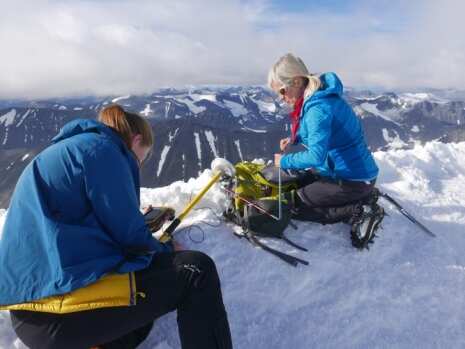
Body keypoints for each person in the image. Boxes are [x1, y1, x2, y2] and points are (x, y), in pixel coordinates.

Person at [0, 105, 232, 349]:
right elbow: (130, 236)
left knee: (139, 317)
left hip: (32, 314)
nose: (136, 167)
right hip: (58, 313)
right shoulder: (105, 151)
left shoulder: (73, 148)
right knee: (196, 270)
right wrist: (165, 247)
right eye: (139, 160)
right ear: (136, 140)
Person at [268, 53, 384, 248]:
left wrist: (285, 161)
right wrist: (294, 139)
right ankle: (364, 195)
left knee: (293, 204)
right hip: (350, 172)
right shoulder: (319, 97)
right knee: (296, 185)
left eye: (281, 91)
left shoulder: (317, 108)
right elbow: (325, 133)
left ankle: (358, 210)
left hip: (350, 179)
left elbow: (316, 155)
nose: (281, 98)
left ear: (296, 81)